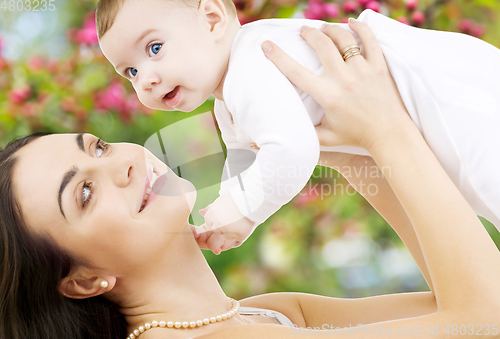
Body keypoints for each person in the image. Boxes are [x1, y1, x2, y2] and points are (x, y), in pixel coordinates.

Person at [1, 22, 499, 339]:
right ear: (85, 280)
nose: (122, 164)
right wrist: (387, 126)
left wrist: (342, 141)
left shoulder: (257, 316)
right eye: (84, 194)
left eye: (99, 147)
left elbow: (464, 302)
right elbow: (485, 322)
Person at [95, 0, 500, 255]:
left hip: (448, 101)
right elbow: (249, 160)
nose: (145, 77)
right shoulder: (229, 95)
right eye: (130, 70)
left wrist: (243, 208)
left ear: (213, 19)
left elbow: (292, 151)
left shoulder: (250, 63)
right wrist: (230, 218)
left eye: (154, 49)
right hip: (442, 99)